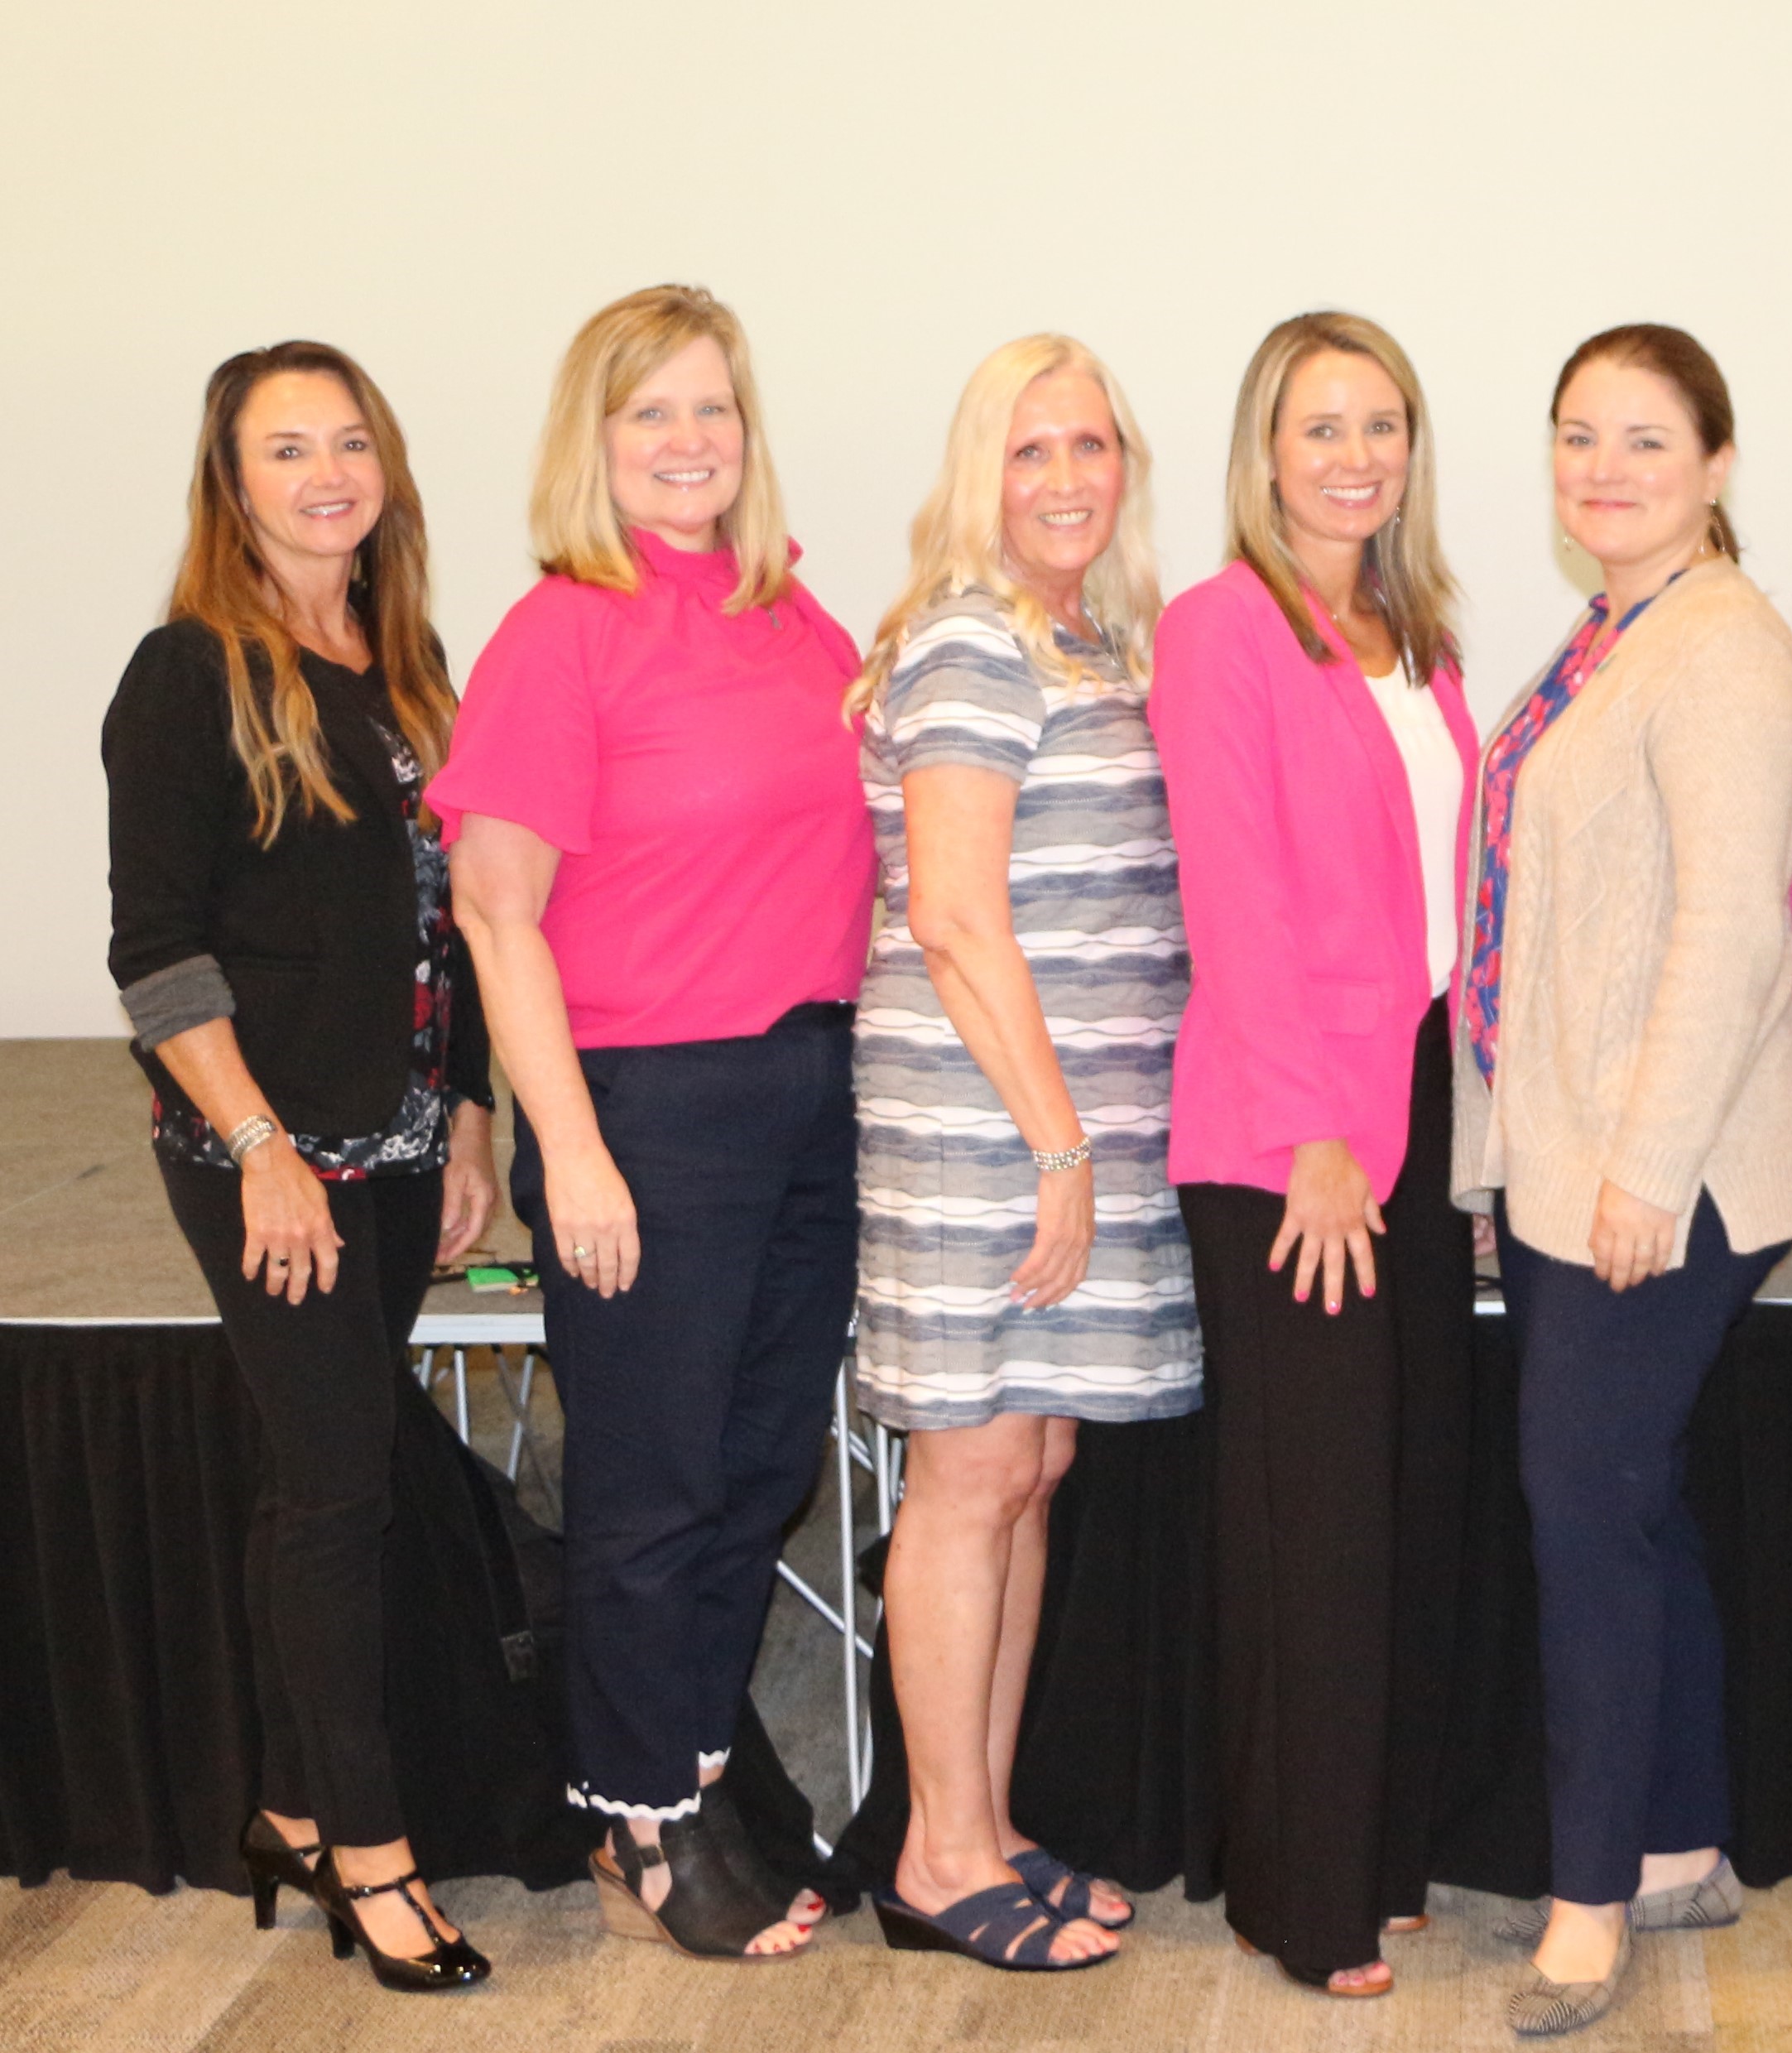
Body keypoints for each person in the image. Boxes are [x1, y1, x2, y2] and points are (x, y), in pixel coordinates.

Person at [435, 285, 876, 1962]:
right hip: (646, 1105)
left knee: (757, 1470)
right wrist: (578, 1152)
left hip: (804, 1094)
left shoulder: (792, 618)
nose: (689, 442)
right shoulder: (562, 630)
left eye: (713, 410)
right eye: (650, 416)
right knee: (649, 1481)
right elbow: (497, 914)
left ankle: (691, 1769)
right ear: (592, 445)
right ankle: (640, 1810)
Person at [1452, 325, 1792, 2037]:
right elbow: (1525, 928)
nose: (1603, 469)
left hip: (1653, 1176)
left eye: (1644, 442)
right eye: (1576, 438)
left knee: (1581, 1516)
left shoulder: (1726, 646)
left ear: (1717, 465)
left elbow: (1724, 929)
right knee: (1634, 1497)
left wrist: (1640, 1171)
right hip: (1568, 1165)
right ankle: (1675, 1839)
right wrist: (1497, 1156)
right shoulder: (1611, 636)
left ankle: (1586, 1908)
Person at [103, 341, 496, 1993]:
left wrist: (468, 1116)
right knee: (338, 1491)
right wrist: (262, 1149)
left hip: (404, 1149)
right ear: (233, 481)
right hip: (264, 1155)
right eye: (286, 449)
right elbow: (159, 954)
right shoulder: (188, 671)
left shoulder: (405, 663)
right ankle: (371, 1855)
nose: (326, 471)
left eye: (350, 441)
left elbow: (457, 926)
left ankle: (280, 1800)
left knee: (316, 1485)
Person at [848, 334, 1195, 1972]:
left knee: (1032, 1466)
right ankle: (935, 1846)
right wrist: (1059, 1148)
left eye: (1091, 444)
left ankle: (981, 1820)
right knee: (971, 1471)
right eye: (1028, 449)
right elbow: (956, 913)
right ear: (976, 473)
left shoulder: (1086, 640)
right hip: (988, 1129)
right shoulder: (975, 643)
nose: (1065, 477)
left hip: (1075, 1127)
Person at [1150, 310, 1478, 1998]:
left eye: (1381, 424)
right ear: (1262, 452)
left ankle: (1383, 1851)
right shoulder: (1220, 630)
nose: (1354, 455)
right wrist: (1313, 1139)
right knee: (1318, 1520)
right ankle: (1303, 1895)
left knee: (1410, 1492)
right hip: (1295, 1133)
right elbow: (1237, 899)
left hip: (1414, 1113)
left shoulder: (1412, 636)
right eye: (1319, 425)